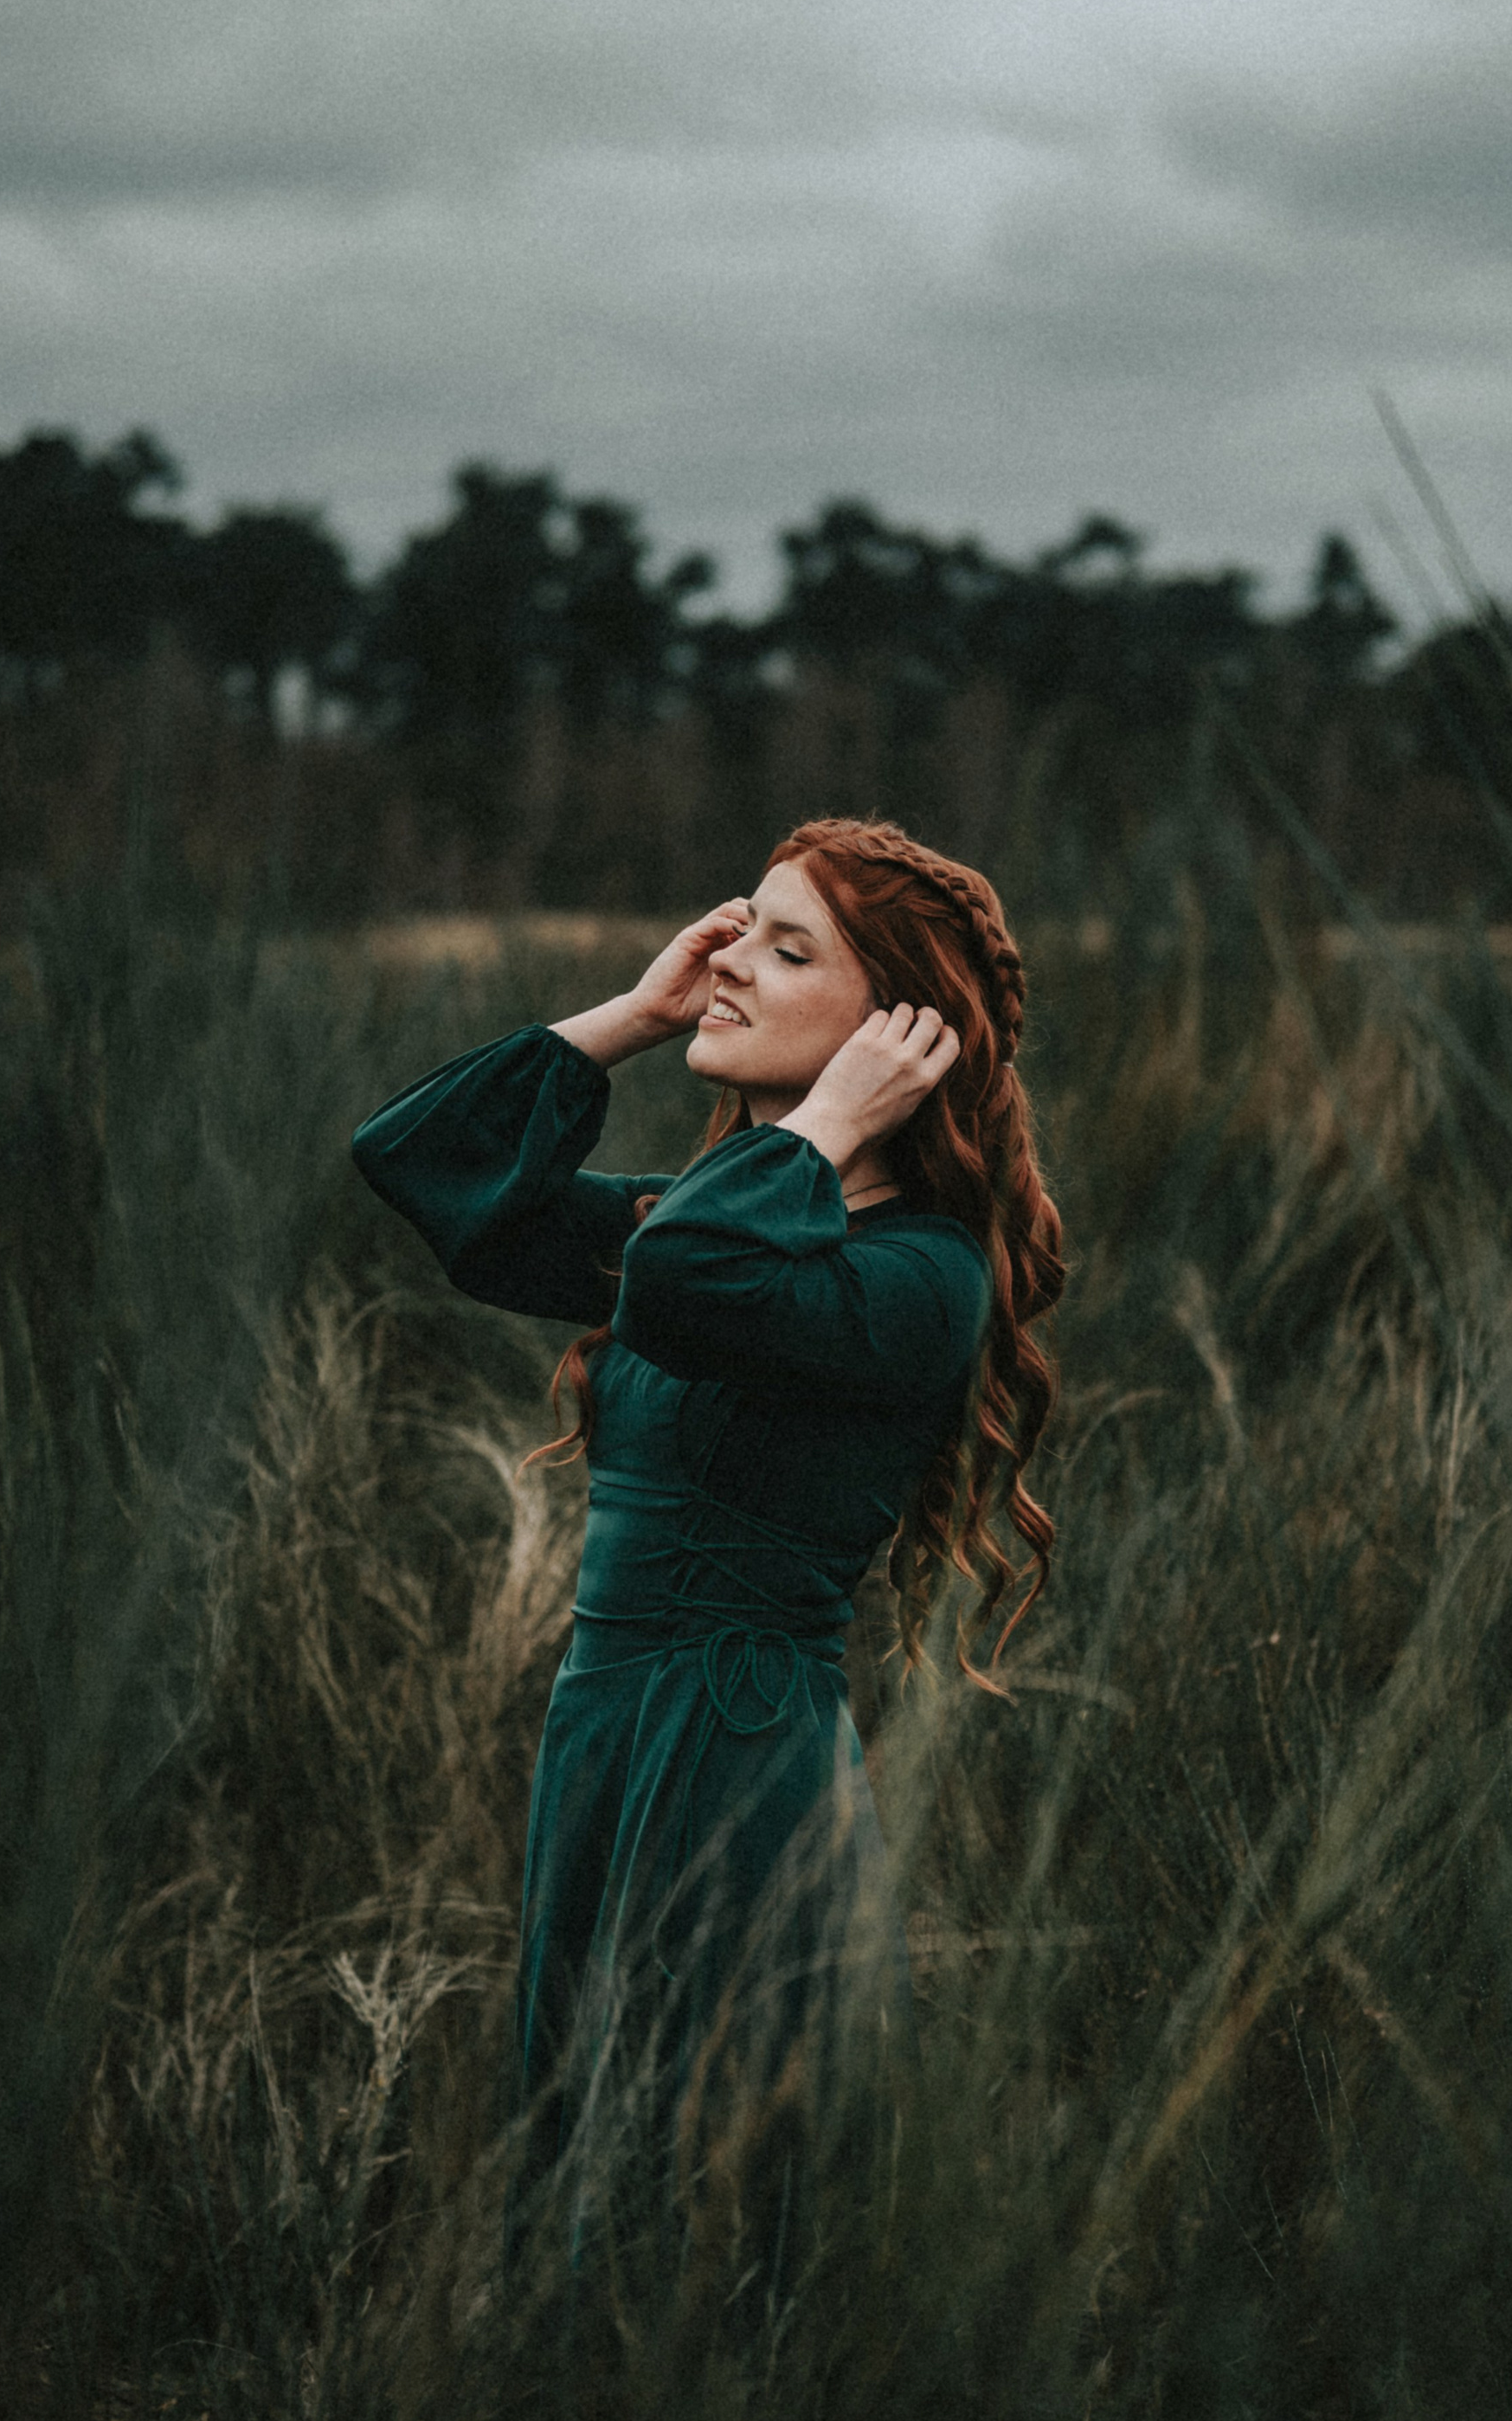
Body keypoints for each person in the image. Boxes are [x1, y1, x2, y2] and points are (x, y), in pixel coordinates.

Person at [351, 817, 1065, 2273]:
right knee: (584, 2137)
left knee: (695, 2179)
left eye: (785, 951)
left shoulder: (917, 1278)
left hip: (736, 1753)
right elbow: (423, 1164)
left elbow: (684, 1277)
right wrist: (637, 1014)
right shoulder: (713, 1218)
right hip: (609, 1733)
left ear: (898, 1037)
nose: (731, 963)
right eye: (739, 930)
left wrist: (827, 1124)